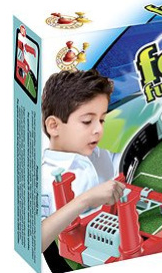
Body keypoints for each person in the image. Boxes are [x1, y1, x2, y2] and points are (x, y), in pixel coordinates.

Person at [41, 69, 125, 252]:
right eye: (87, 121)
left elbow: (124, 162)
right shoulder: (43, 178)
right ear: (54, 126)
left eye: (101, 120)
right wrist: (86, 200)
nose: (99, 130)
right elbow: (35, 241)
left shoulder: (98, 155)